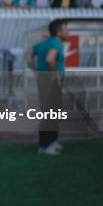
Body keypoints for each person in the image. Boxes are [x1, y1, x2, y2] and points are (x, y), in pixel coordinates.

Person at [29, 20, 68, 155]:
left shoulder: (43, 43)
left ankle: (52, 141)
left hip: (44, 81)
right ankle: (45, 146)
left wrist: (36, 70)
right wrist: (56, 74)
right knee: (50, 113)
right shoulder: (55, 43)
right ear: (58, 32)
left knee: (50, 112)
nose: (68, 32)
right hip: (52, 82)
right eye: (66, 29)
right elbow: (50, 59)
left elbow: (30, 57)